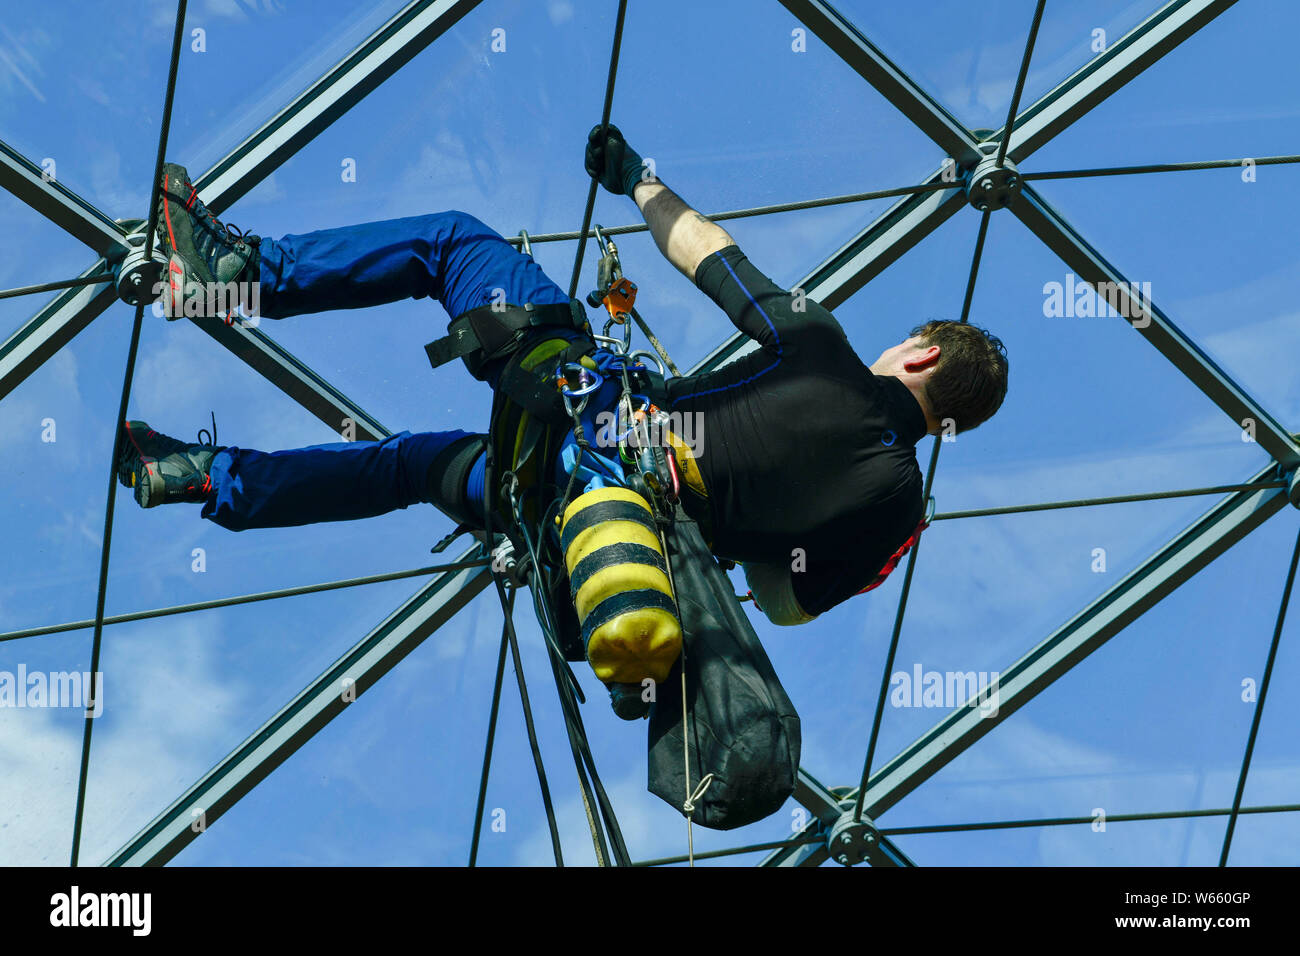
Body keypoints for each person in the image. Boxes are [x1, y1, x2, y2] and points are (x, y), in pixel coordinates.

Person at [121, 126, 1008, 631]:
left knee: (453, 243)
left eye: (906, 346)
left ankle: (237, 273)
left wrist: (638, 182)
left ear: (922, 357)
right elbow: (783, 604)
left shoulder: (826, 354)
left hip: (589, 416)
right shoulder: (897, 513)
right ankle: (200, 477)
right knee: (408, 468)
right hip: (575, 540)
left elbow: (710, 257)